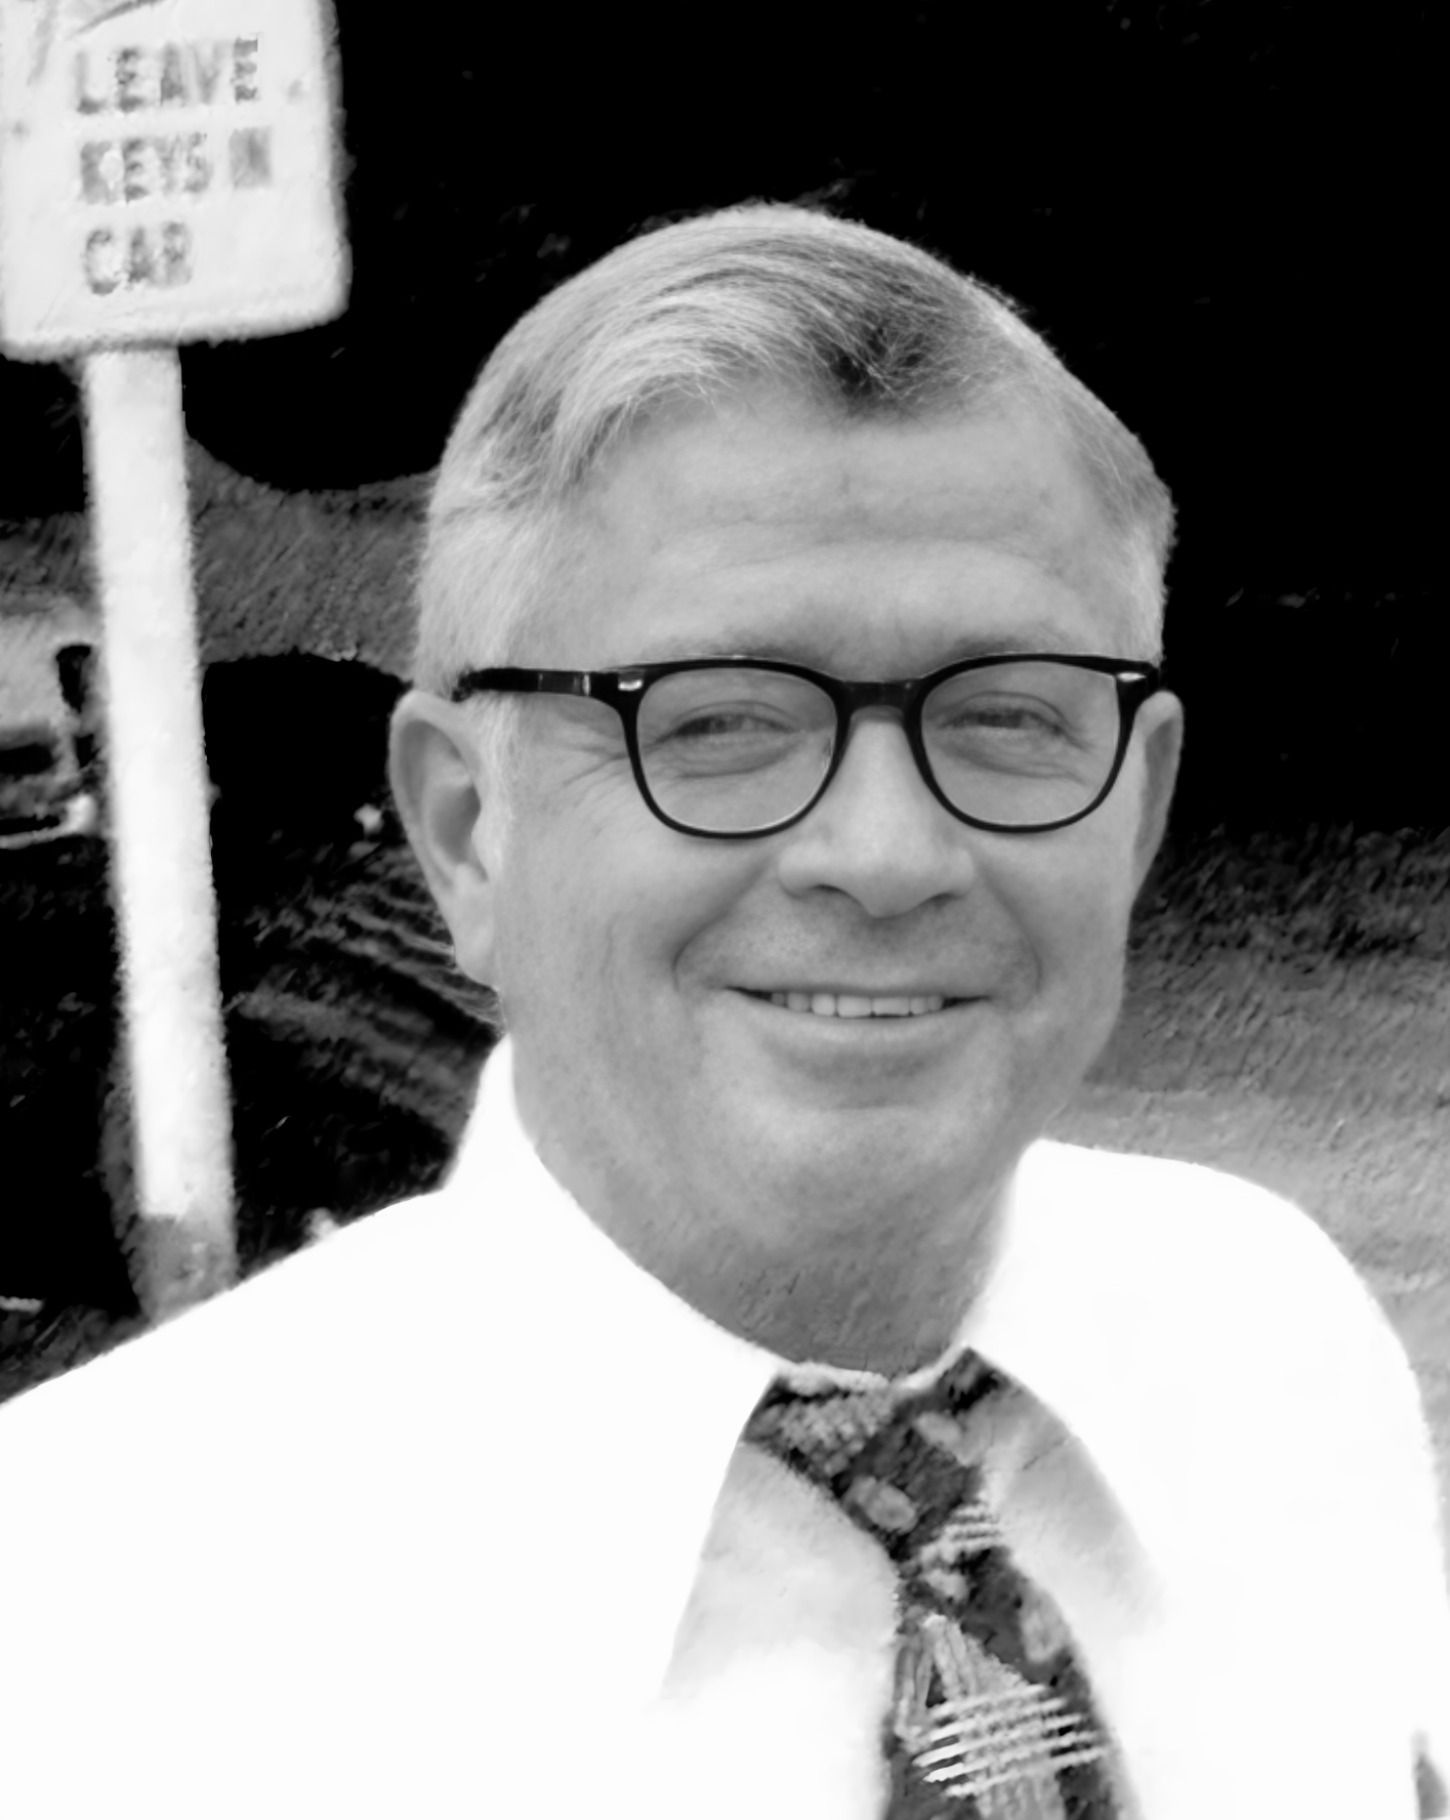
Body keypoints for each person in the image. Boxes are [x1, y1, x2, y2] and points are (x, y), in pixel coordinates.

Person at [2, 206, 1446, 1819]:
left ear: (1139, 803)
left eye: (1012, 716)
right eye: (720, 724)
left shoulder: (1265, 1341)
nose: (888, 853)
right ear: (465, 829)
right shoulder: (82, 1625)